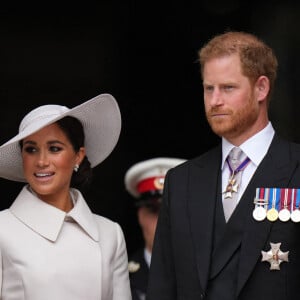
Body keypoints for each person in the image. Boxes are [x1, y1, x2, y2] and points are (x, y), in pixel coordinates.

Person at [146, 31, 300, 300]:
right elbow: (162, 287)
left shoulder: (295, 167)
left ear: (261, 88)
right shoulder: (181, 182)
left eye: (228, 88)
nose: (215, 100)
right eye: (208, 88)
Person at [0, 94, 132, 299]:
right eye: (31, 149)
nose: (41, 161)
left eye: (54, 148)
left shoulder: (110, 234)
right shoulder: (3, 229)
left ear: (78, 156)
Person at [124, 157, 186, 300]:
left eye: (174, 210)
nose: (163, 220)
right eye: (153, 210)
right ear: (140, 216)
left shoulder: (212, 274)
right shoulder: (120, 277)